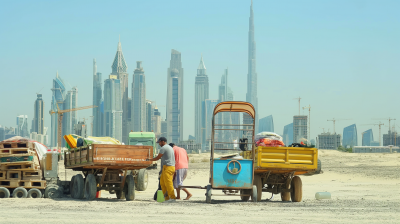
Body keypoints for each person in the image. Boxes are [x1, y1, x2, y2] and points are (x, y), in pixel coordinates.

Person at [147, 137, 176, 202]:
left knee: (168, 183)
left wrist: (149, 159)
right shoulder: (169, 147)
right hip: (167, 167)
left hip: (168, 167)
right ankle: (167, 198)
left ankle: (172, 198)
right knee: (162, 183)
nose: (159, 144)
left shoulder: (163, 148)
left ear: (163, 141)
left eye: (159, 142)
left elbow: (158, 157)